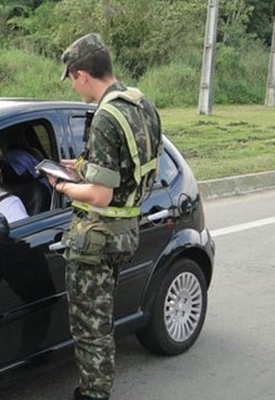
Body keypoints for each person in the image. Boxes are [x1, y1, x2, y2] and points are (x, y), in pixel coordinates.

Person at [49, 33, 162, 400]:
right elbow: (131, 167)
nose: (74, 87)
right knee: (103, 321)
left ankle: (94, 394)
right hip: (126, 231)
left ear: (82, 74)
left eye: (71, 79)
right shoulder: (140, 104)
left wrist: (62, 186)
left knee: (90, 329)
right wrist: (82, 166)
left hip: (96, 237)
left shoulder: (104, 117)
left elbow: (99, 194)